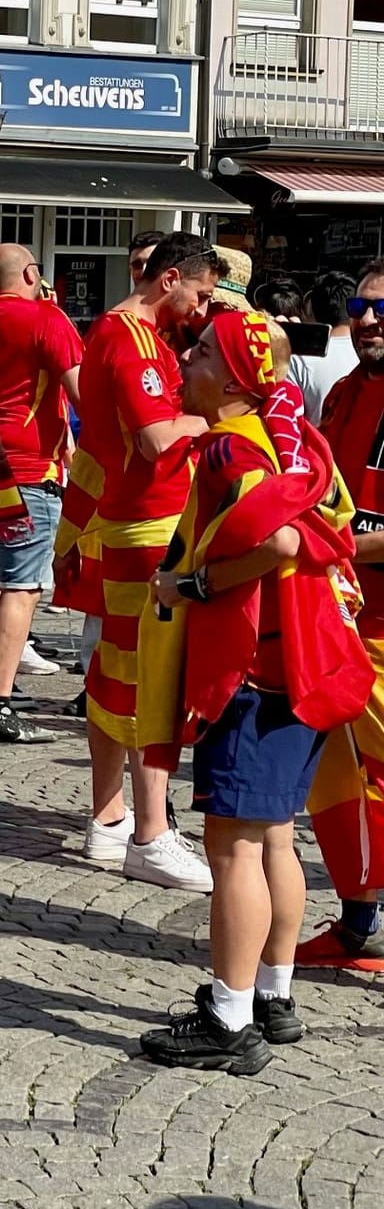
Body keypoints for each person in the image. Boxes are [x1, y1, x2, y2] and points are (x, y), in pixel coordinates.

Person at [142, 311, 365, 1075]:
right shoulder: (295, 435)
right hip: (304, 664)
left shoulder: (237, 448)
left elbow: (281, 541)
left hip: (254, 669)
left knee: (233, 845)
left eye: (199, 352)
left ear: (236, 377)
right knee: (273, 837)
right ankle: (273, 996)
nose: (183, 360)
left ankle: (228, 1015)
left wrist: (193, 583)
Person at [68, 233, 220, 892]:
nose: (202, 305)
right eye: (201, 292)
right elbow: (157, 438)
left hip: (130, 519)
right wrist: (217, 421)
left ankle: (110, 817)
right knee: (146, 680)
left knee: (117, 669)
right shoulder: (131, 340)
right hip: (145, 523)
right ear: (170, 281)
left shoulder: (136, 335)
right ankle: (150, 833)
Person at [0, 244, 84, 742]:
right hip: (29, 467)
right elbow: (84, 393)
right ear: (31, 274)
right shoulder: (44, 319)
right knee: (22, 588)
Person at [301, 260, 384, 971]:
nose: (367, 319)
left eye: (382, 308)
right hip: (339, 617)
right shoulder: (348, 392)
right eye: (359, 305)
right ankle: (360, 922)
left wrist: (338, 542)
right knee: (337, 779)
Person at [289, 270, 358, 425]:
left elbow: (288, 419)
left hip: (312, 447)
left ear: (313, 310)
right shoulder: (371, 357)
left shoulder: (299, 358)